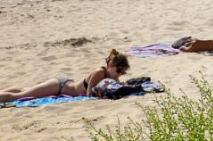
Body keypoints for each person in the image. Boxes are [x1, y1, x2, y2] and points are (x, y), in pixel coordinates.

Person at [0, 50, 130, 102]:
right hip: (59, 86)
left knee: (24, 90)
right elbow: (90, 93)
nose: (120, 74)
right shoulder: (99, 72)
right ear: (111, 65)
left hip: (63, 84)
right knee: (21, 96)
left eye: (122, 73)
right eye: (119, 71)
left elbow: (118, 84)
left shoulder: (111, 76)